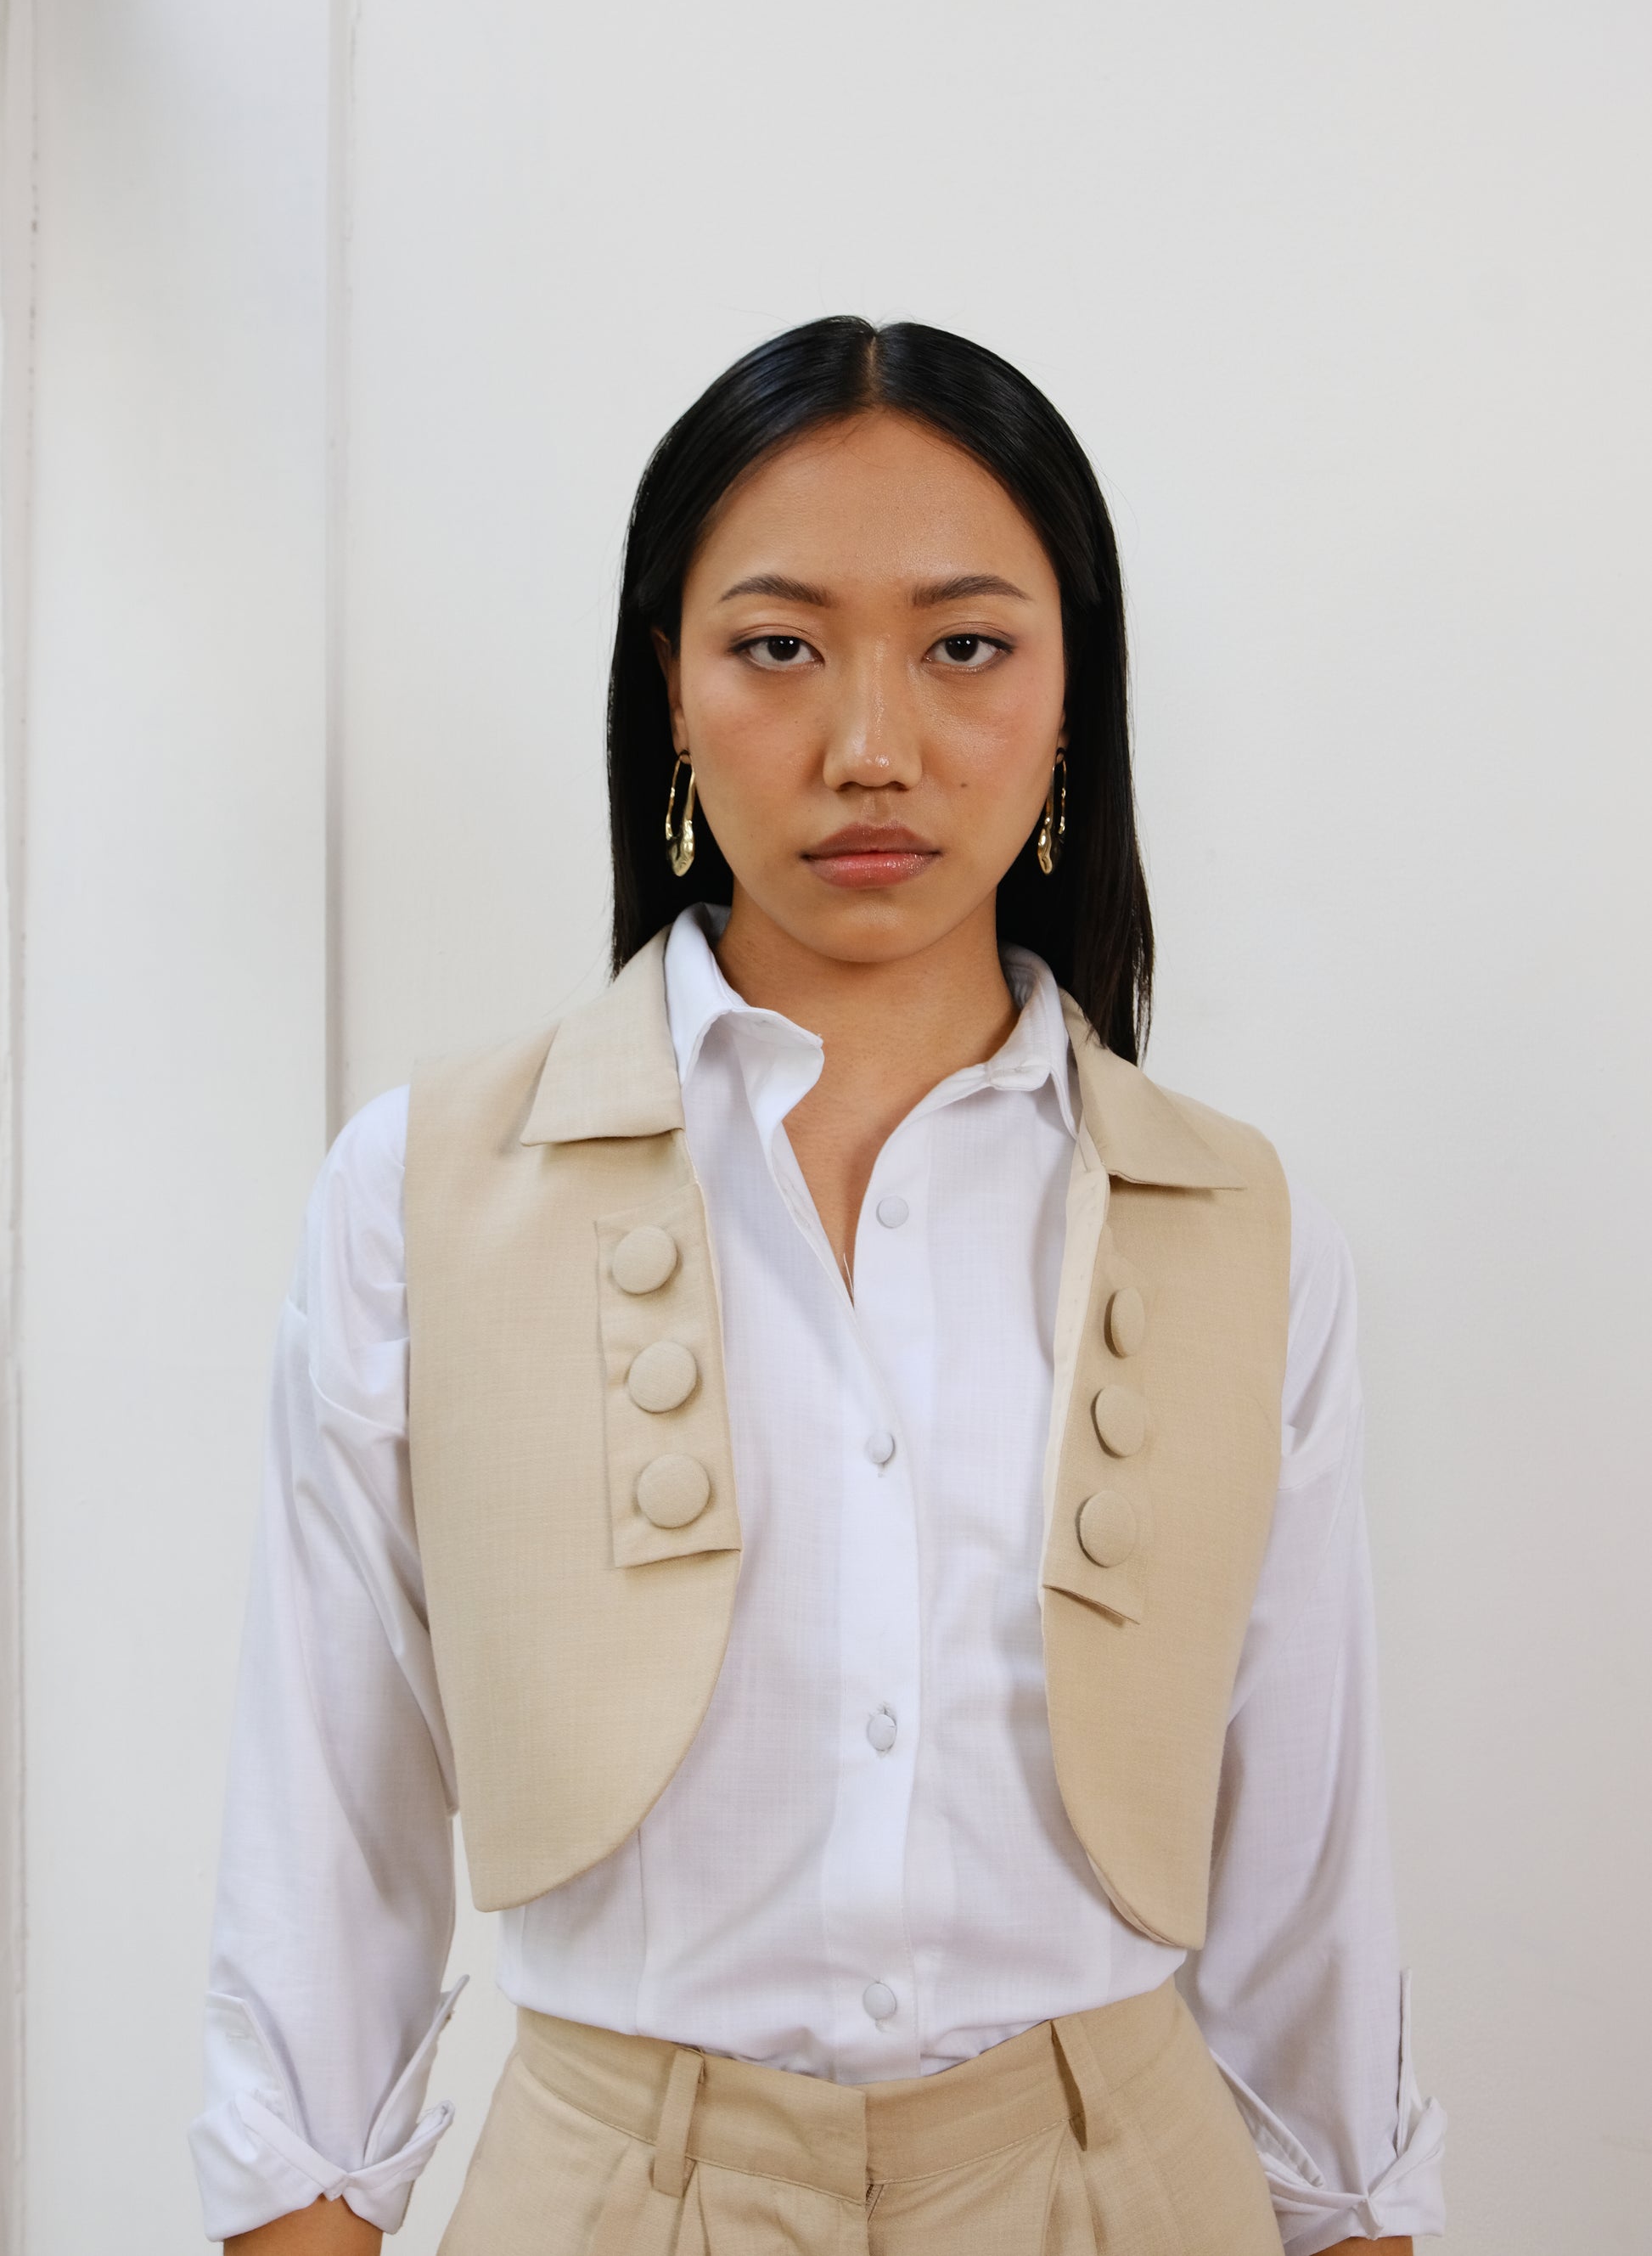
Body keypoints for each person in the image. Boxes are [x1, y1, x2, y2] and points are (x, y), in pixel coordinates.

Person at [190, 318, 1447, 2254]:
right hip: (606, 2198)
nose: (872, 746)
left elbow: (1306, 1889)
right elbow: (324, 1848)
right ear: (671, 690)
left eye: (966, 647)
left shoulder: (1239, 1226)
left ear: (1072, 693)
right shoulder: (420, 1194)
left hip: (1123, 2195)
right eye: (778, 646)